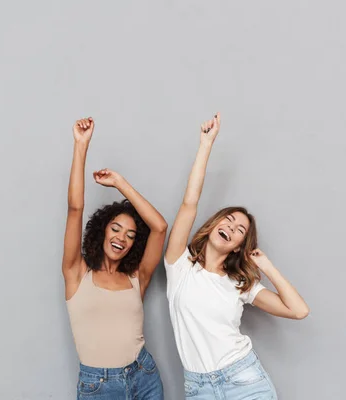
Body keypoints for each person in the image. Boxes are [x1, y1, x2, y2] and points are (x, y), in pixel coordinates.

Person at [164, 113, 310, 399]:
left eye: (239, 229)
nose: (231, 227)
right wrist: (206, 144)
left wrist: (266, 266)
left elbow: (299, 310)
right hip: (198, 388)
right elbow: (189, 203)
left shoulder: (240, 285)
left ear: (238, 247)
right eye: (228, 220)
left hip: (244, 379)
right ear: (213, 225)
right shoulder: (179, 266)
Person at [62, 117, 166, 399]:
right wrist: (81, 146)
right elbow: (75, 209)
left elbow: (159, 227)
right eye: (116, 228)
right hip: (99, 387)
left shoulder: (136, 278)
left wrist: (120, 183)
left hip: (143, 375)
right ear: (102, 230)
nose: (121, 238)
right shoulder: (76, 273)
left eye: (131, 235)